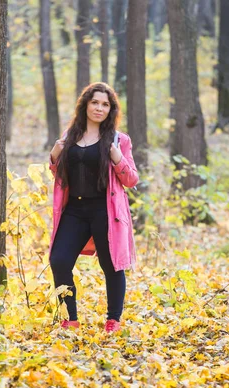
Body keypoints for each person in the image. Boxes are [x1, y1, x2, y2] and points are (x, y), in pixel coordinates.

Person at [48, 82, 138, 333]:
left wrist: (117, 157)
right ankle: (70, 318)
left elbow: (131, 179)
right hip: (74, 211)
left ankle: (113, 320)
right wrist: (54, 156)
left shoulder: (119, 140)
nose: (99, 108)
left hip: (105, 210)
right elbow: (61, 174)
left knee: (111, 265)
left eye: (105, 104)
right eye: (95, 102)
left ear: (111, 110)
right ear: (85, 104)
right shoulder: (70, 137)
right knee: (59, 260)